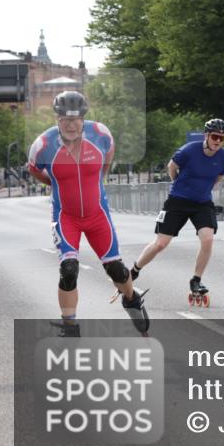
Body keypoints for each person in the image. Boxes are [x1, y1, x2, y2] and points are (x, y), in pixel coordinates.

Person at [27, 91, 148, 335]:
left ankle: (131, 299)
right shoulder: (43, 145)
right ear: (57, 118)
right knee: (68, 270)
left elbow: (108, 156)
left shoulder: (101, 134)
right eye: (64, 119)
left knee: (116, 270)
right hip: (66, 217)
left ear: (83, 118)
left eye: (75, 119)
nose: (70, 125)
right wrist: (54, 183)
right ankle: (69, 326)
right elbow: (34, 169)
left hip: (97, 215)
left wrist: (98, 179)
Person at [131, 118, 224, 306]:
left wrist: (202, 190)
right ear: (206, 135)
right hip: (178, 200)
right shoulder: (189, 150)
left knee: (208, 239)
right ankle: (134, 270)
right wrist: (178, 184)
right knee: (161, 243)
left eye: (222, 138)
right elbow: (172, 167)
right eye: (215, 137)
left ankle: (196, 280)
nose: (218, 141)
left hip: (202, 203)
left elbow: (218, 178)